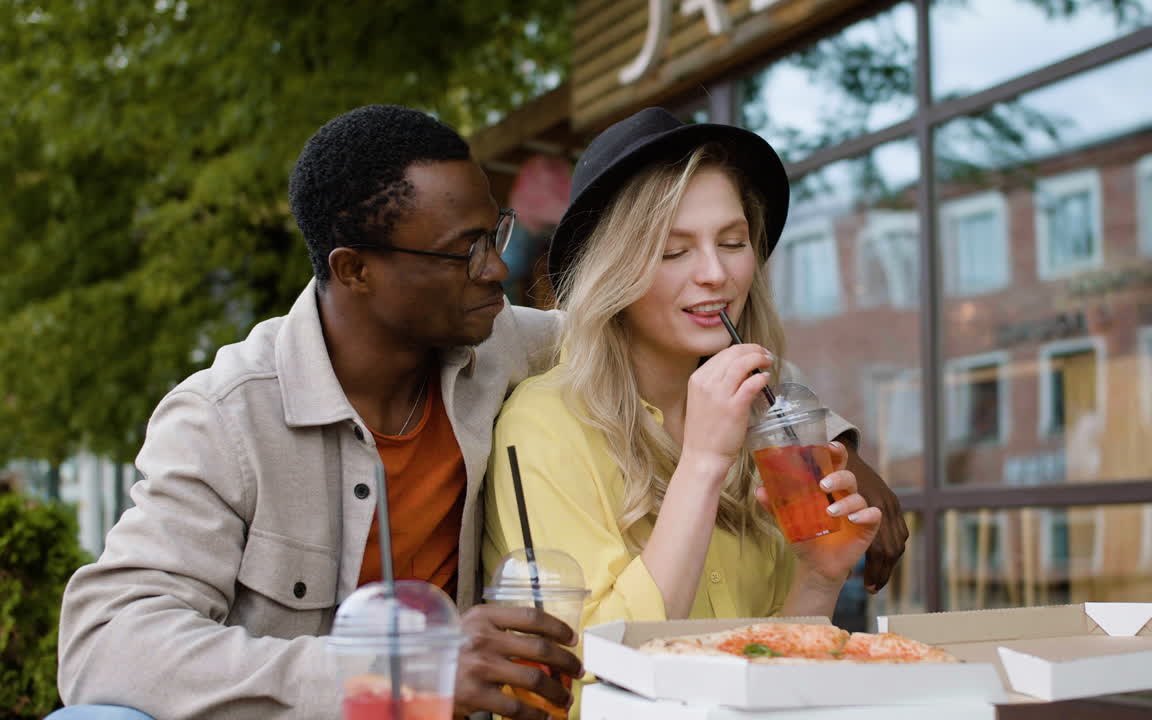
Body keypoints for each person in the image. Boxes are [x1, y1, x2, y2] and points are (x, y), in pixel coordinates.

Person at [53, 105, 583, 720]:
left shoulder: (509, 347)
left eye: (495, 234)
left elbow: (628, 337)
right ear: (354, 269)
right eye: (462, 251)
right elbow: (105, 644)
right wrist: (396, 678)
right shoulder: (226, 418)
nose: (494, 268)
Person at [482, 108, 896, 706]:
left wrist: (818, 577)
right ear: (614, 269)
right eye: (674, 251)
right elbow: (580, 685)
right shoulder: (543, 424)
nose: (715, 273)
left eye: (733, 243)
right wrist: (701, 463)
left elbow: (767, 675)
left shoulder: (764, 423)